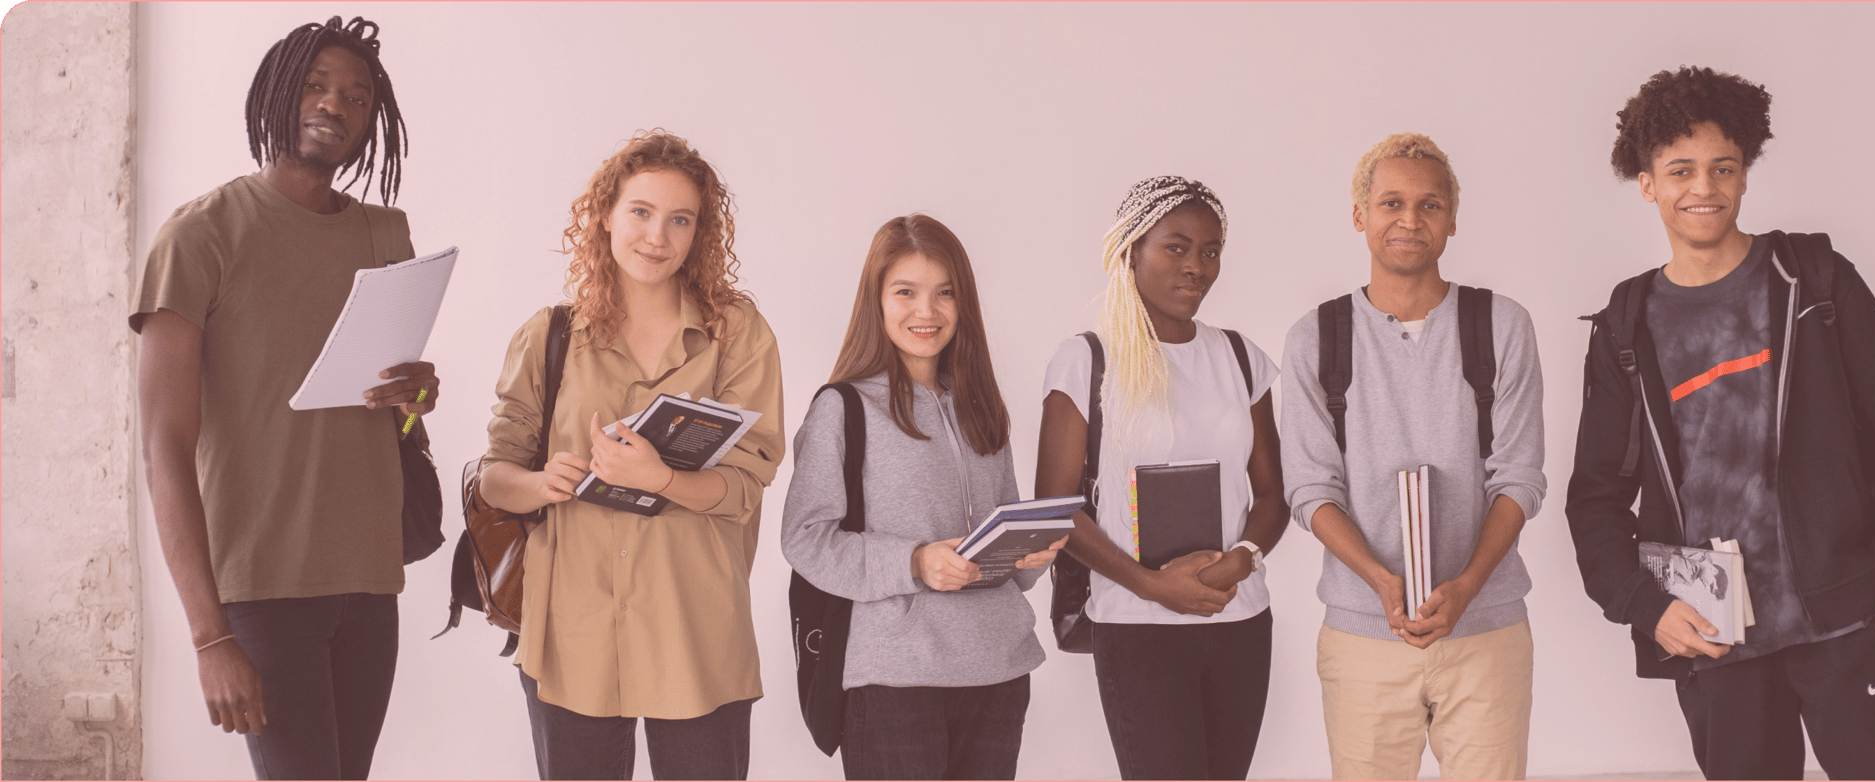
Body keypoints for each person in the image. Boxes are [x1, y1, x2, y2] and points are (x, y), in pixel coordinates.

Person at [1567, 66, 1875, 780]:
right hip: (1716, 639)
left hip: (1841, 622)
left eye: (1722, 168)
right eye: (1680, 170)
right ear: (1647, 182)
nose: (1703, 188)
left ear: (1745, 174)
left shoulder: (1815, 280)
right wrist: (1646, 607)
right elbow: (1594, 497)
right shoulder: (1626, 326)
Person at [133, 16, 429, 780]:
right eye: (316, 84)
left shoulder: (387, 233)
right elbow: (164, 446)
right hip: (264, 588)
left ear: (373, 122)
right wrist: (209, 637)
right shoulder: (200, 236)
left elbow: (387, 403)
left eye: (357, 97)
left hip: (368, 578)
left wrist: (415, 394)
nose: (334, 105)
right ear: (276, 90)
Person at [476, 130, 784, 780]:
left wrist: (661, 478)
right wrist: (541, 484)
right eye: (640, 212)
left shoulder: (737, 334)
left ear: (699, 233)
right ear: (606, 215)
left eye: (680, 220)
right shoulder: (548, 337)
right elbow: (496, 476)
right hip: (572, 636)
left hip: (695, 632)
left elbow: (747, 485)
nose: (656, 237)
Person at [1279, 133, 1546, 780]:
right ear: (1360, 215)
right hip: (1362, 636)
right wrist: (1380, 581)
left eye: (1430, 205)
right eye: (1391, 202)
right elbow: (1311, 491)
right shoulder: (1317, 338)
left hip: (1485, 630)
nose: (1409, 220)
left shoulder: (1501, 325)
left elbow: (1518, 478)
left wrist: (1466, 587)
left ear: (1453, 219)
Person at [782, 214, 1067, 780]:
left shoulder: (982, 406)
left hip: (999, 672)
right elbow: (805, 539)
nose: (926, 312)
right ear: (876, 299)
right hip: (894, 680)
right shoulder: (842, 408)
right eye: (905, 292)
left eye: (945, 293)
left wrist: (1029, 557)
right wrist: (914, 561)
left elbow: (1000, 531)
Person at [1034, 176, 1287, 780]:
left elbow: (1274, 493)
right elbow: (1055, 506)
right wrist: (1150, 585)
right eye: (1176, 247)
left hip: (1239, 618)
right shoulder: (1087, 359)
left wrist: (1243, 558)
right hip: (1137, 626)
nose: (1196, 266)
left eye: (1210, 250)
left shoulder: (1240, 356)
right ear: (1130, 252)